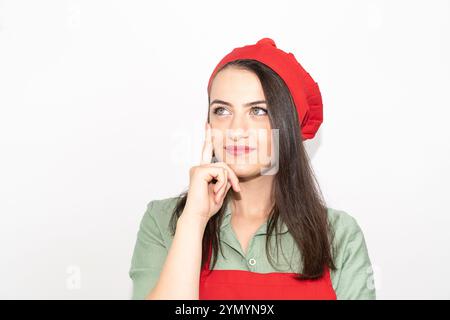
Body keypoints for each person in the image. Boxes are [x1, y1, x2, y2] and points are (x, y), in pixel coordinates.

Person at [129, 38, 376, 300]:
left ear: (287, 128)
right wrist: (194, 221)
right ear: (208, 127)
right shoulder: (164, 221)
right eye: (222, 111)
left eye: (258, 111)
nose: (236, 130)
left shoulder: (339, 235)